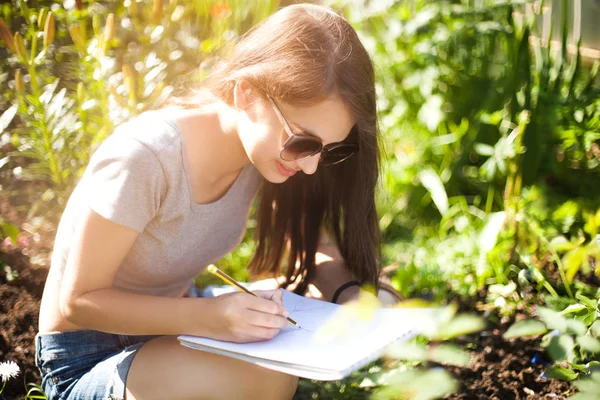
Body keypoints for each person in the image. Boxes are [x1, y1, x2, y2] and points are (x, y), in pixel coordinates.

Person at [35, 3, 400, 400]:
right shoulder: (144, 158)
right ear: (247, 93)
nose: (312, 166)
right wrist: (209, 318)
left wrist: (350, 296)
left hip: (175, 328)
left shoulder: (265, 156)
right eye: (303, 142)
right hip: (89, 359)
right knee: (268, 377)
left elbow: (316, 247)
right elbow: (79, 302)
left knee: (317, 312)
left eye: (330, 150)